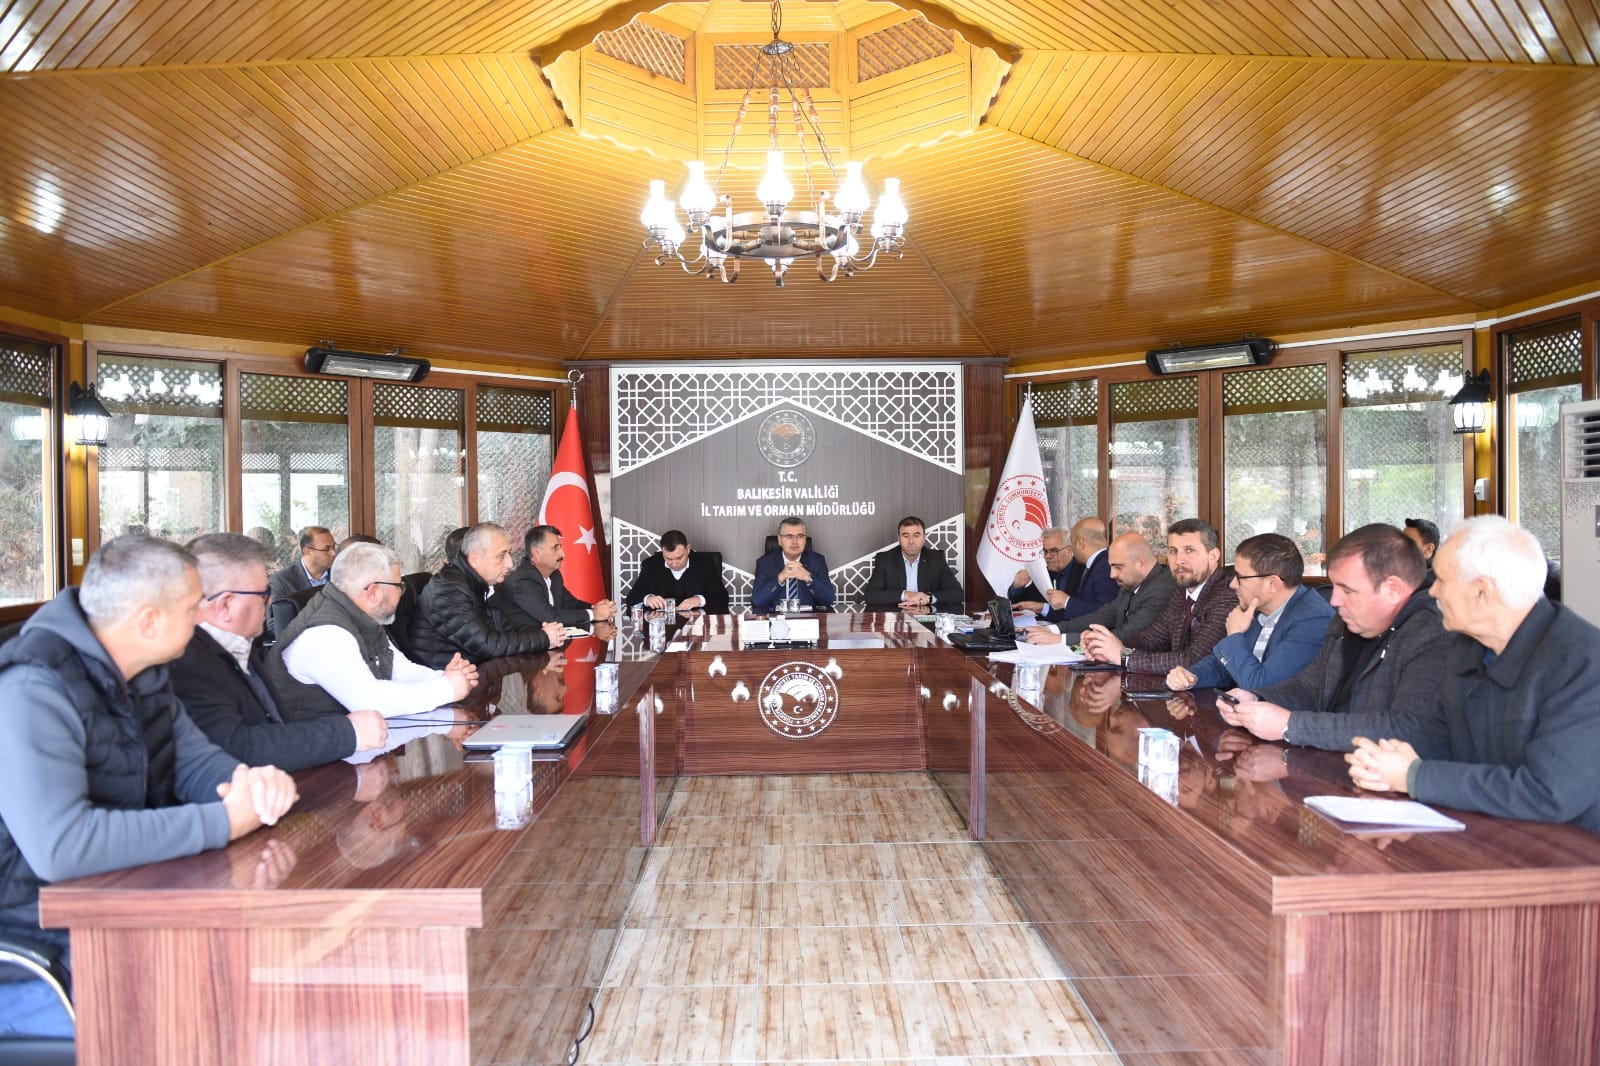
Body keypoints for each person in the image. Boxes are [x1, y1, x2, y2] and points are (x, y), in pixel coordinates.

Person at [0, 535, 297, 1038]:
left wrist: (248, 784)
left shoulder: (143, 671)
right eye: (191, 608)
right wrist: (222, 821)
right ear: (148, 621)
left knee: (269, 975)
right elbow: (62, 848)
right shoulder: (33, 687)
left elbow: (194, 761)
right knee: (222, 1014)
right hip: (38, 947)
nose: (201, 618)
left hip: (123, 910)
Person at [1347, 517, 1600, 831]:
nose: (1433, 591)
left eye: (1441, 580)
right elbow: (1440, 737)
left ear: (1482, 592)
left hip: (1573, 850)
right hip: (1487, 833)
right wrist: (1385, 761)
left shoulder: (1582, 663)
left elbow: (1549, 794)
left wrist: (1413, 776)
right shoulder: (1466, 648)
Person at [1217, 523, 1451, 751]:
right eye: (1335, 587)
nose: (1335, 600)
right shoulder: (1348, 621)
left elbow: (1408, 729)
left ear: (1392, 589)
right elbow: (1310, 686)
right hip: (1330, 763)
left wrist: (1290, 726)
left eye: (1347, 590)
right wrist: (1256, 699)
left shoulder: (1432, 631)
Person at [170, 533, 389, 771]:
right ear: (224, 605)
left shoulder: (239, 642)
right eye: (262, 594)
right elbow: (238, 747)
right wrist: (348, 733)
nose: (270, 601)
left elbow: (273, 725)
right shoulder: (186, 662)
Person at [263, 541, 481, 719]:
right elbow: (370, 702)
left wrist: (446, 677)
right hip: (316, 754)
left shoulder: (360, 614)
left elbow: (399, 670)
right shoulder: (325, 634)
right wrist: (446, 689)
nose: (401, 593)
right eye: (399, 587)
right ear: (374, 592)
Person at [1166, 533, 1334, 693]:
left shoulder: (1313, 621)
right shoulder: (1260, 609)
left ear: (1272, 584)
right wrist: (1191, 676)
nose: (1232, 584)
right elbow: (1225, 666)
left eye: (1240, 577)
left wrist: (1234, 635)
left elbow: (1263, 687)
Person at [1080, 518, 1238, 674]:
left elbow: (1193, 660)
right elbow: (1150, 640)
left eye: (1189, 550)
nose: (1179, 560)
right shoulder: (1180, 593)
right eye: (1173, 551)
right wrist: (1104, 646)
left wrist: (1123, 656)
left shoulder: (1227, 595)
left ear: (1213, 556)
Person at [409, 523, 567, 667]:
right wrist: (544, 638)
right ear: (475, 559)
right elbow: (486, 644)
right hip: (441, 679)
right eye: (501, 555)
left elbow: (502, 627)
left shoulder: (475, 582)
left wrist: (544, 632)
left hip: (473, 670)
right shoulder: (448, 590)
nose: (510, 563)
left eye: (509, 553)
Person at [1022, 532, 1174, 646]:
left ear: (1141, 563)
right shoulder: (1131, 582)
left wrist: (1060, 639)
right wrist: (1053, 630)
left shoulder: (1161, 590)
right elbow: (1102, 617)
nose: (1112, 575)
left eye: (1118, 567)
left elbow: (1126, 635)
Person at [502, 524, 619, 627]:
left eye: (560, 547)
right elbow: (550, 617)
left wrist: (597, 608)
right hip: (524, 643)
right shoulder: (523, 581)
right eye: (555, 548)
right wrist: (594, 614)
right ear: (536, 552)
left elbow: (571, 604)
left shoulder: (554, 575)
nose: (562, 554)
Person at [1011, 519, 1118, 623]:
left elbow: (1106, 614)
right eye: (1045, 551)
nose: (1048, 556)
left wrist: (1066, 601)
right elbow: (1021, 604)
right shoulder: (1044, 573)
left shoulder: (1090, 568)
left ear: (1070, 550)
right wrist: (1017, 587)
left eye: (1054, 551)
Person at [863, 515, 964, 610]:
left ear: (924, 537)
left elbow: (957, 593)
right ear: (899, 538)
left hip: (927, 618)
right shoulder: (885, 559)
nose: (911, 541)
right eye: (905, 536)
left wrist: (928, 598)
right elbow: (870, 595)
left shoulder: (936, 559)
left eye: (916, 535)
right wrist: (906, 595)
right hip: (897, 618)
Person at [623, 529, 730, 613]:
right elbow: (631, 598)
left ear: (688, 549)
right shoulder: (650, 565)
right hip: (662, 628)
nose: (674, 564)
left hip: (696, 628)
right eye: (669, 559)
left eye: (679, 558)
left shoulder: (705, 563)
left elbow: (722, 598)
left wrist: (699, 600)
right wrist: (648, 599)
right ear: (662, 551)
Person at [266, 525, 336, 639]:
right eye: (326, 549)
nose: (333, 553)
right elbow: (275, 623)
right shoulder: (281, 581)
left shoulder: (339, 576)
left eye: (334, 547)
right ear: (307, 551)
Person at [752, 516, 835, 610]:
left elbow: (829, 599)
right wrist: (780, 578)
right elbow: (757, 600)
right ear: (780, 540)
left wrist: (808, 577)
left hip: (808, 617)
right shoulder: (765, 563)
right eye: (789, 536)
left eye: (800, 536)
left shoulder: (817, 561)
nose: (795, 541)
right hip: (777, 617)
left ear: (805, 539)